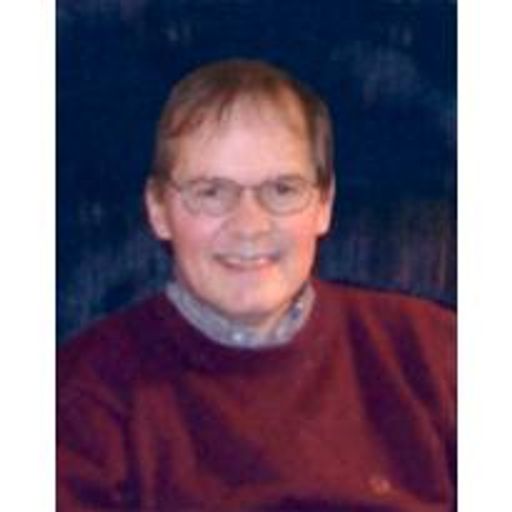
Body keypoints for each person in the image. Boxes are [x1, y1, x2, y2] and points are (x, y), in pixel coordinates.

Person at [58, 59, 456, 511]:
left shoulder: (434, 351)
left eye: (282, 190)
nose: (249, 225)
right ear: (159, 210)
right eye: (212, 191)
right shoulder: (82, 396)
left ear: (324, 205)